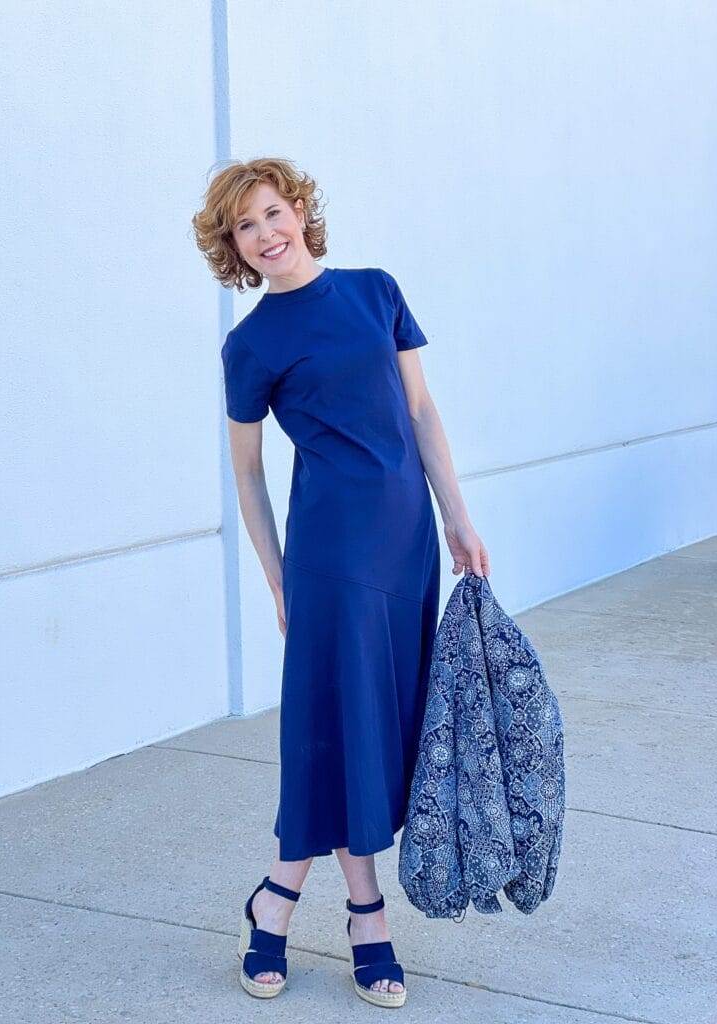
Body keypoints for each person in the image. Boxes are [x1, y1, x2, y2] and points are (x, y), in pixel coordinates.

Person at [192, 157, 490, 1007]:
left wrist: (458, 519)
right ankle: (365, 914)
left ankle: (276, 901)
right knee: (344, 723)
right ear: (233, 247)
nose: (265, 234)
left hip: (406, 547)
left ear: (300, 212)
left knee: (367, 725)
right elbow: (247, 476)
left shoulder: (375, 291)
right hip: (330, 555)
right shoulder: (250, 345)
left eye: (273, 212)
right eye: (245, 226)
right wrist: (280, 577)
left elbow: (422, 414)